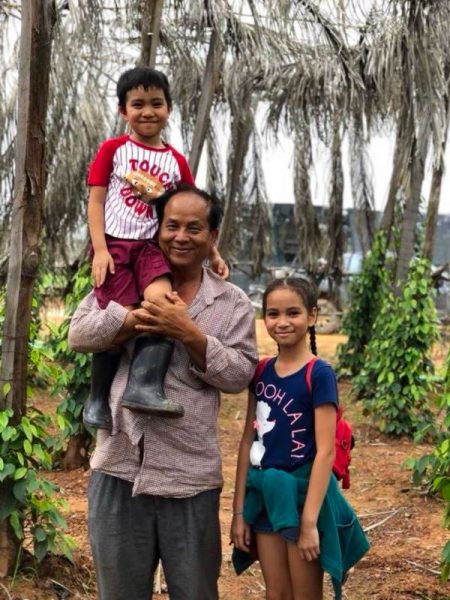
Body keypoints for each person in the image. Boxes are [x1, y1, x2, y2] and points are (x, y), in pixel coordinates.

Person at [68, 185, 258, 600]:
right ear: (157, 229)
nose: (181, 236)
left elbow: (240, 374)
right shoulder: (120, 278)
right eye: (171, 225)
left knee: (195, 592)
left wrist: (190, 334)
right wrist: (135, 319)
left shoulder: (232, 303)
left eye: (194, 228)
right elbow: (78, 334)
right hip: (118, 470)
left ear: (213, 236)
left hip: (189, 479)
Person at [85, 66, 227, 429]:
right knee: (121, 315)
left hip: (151, 250)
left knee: (164, 305)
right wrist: (100, 250)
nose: (148, 111)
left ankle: (144, 386)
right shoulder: (113, 150)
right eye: (137, 104)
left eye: (156, 103)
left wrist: (213, 252)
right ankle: (97, 399)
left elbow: (192, 206)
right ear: (123, 111)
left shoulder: (176, 161)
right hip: (116, 248)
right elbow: (97, 202)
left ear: (169, 108)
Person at [230, 277, 369, 600]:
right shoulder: (261, 371)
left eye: (293, 313)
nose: (282, 322)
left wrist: (309, 523)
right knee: (276, 593)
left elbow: (324, 453)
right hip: (266, 497)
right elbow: (247, 441)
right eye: (273, 314)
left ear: (312, 316)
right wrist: (239, 512)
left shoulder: (319, 373)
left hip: (304, 499)